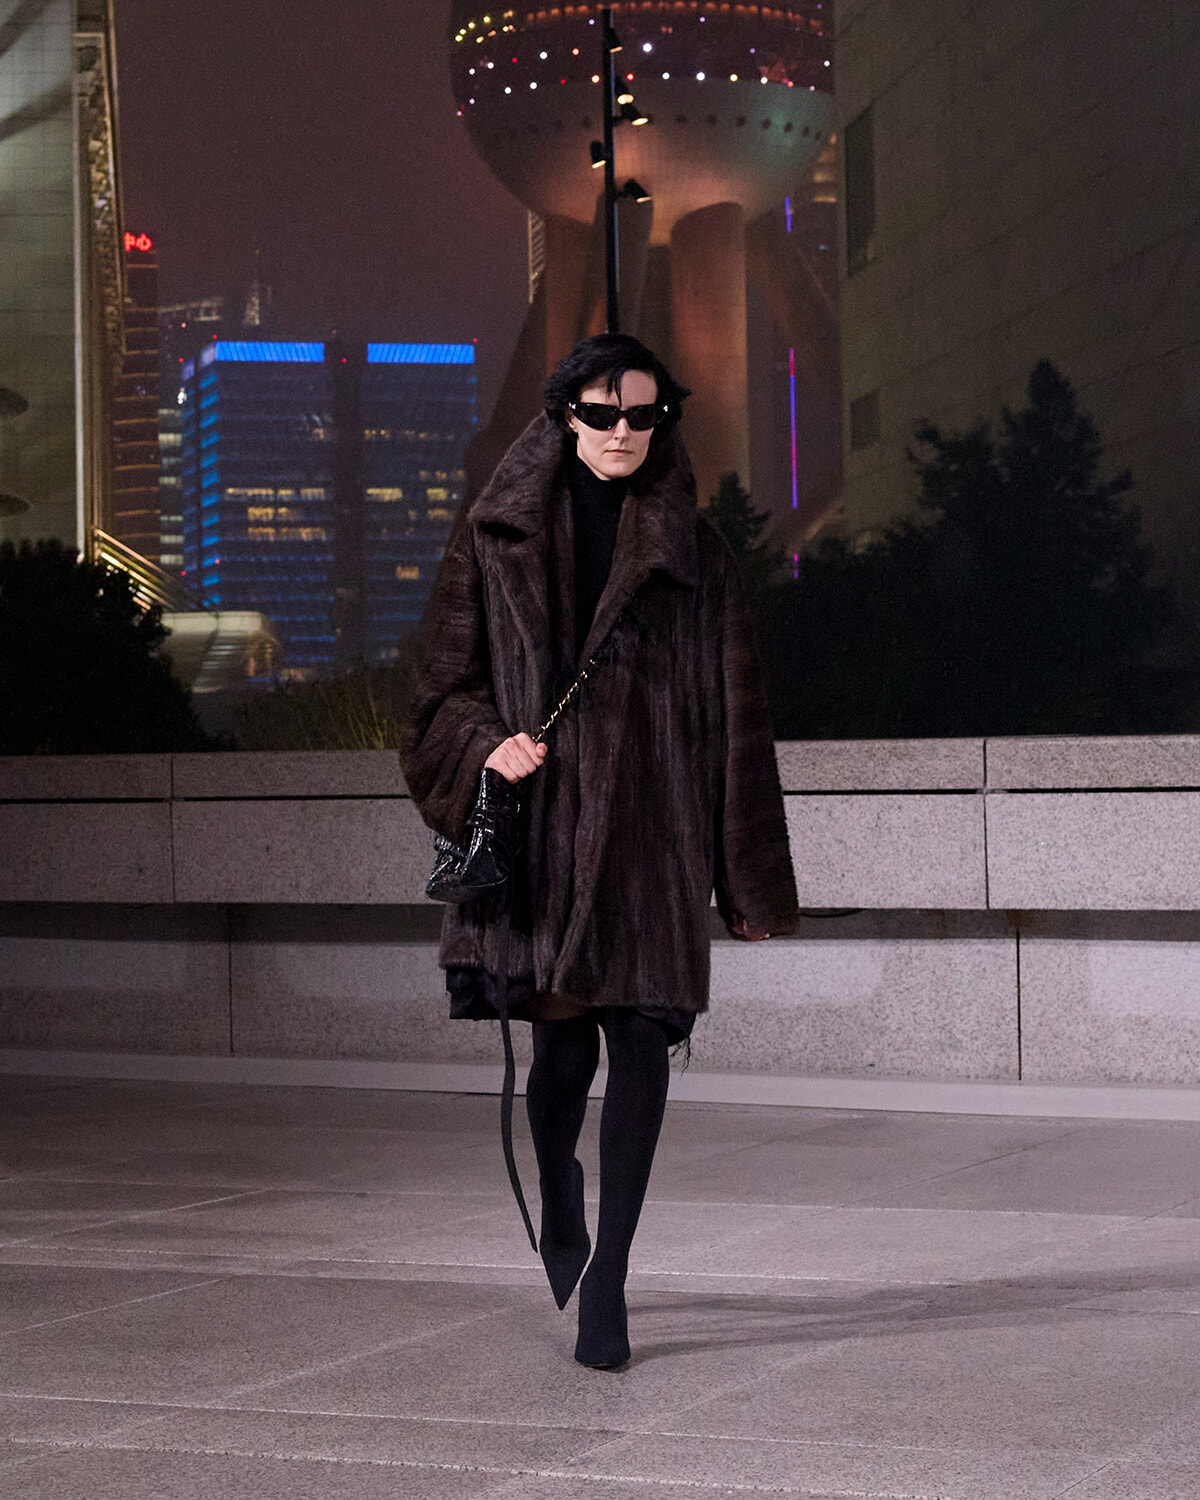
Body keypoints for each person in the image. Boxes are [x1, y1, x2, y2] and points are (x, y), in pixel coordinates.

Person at [402, 333, 799, 1369]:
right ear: (563, 415)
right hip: (541, 832)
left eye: (644, 415)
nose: (623, 433)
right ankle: (560, 1190)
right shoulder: (493, 538)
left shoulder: (696, 555)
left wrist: (746, 879)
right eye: (602, 413)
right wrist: (492, 745)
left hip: (652, 831)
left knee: (639, 1040)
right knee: (561, 1049)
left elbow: (736, 720)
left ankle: (611, 1277)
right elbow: (436, 687)